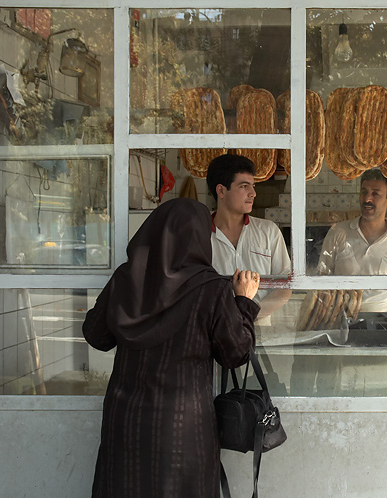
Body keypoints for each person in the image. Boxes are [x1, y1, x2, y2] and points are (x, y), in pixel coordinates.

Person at [82, 198, 260, 498]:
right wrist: (243, 301)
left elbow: (95, 335)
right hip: (183, 426)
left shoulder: (125, 279)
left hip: (126, 420)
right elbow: (236, 353)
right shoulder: (211, 289)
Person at [317, 168, 387, 312]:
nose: (367, 199)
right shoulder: (338, 233)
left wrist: (383, 304)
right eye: (364, 192)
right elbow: (323, 276)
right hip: (342, 321)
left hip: (386, 324)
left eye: (375, 193)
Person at [206, 154, 291, 323]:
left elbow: (284, 286)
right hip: (211, 333)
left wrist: (248, 316)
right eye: (244, 186)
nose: (253, 193)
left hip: (260, 335)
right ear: (221, 190)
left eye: (252, 186)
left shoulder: (268, 231)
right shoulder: (199, 233)